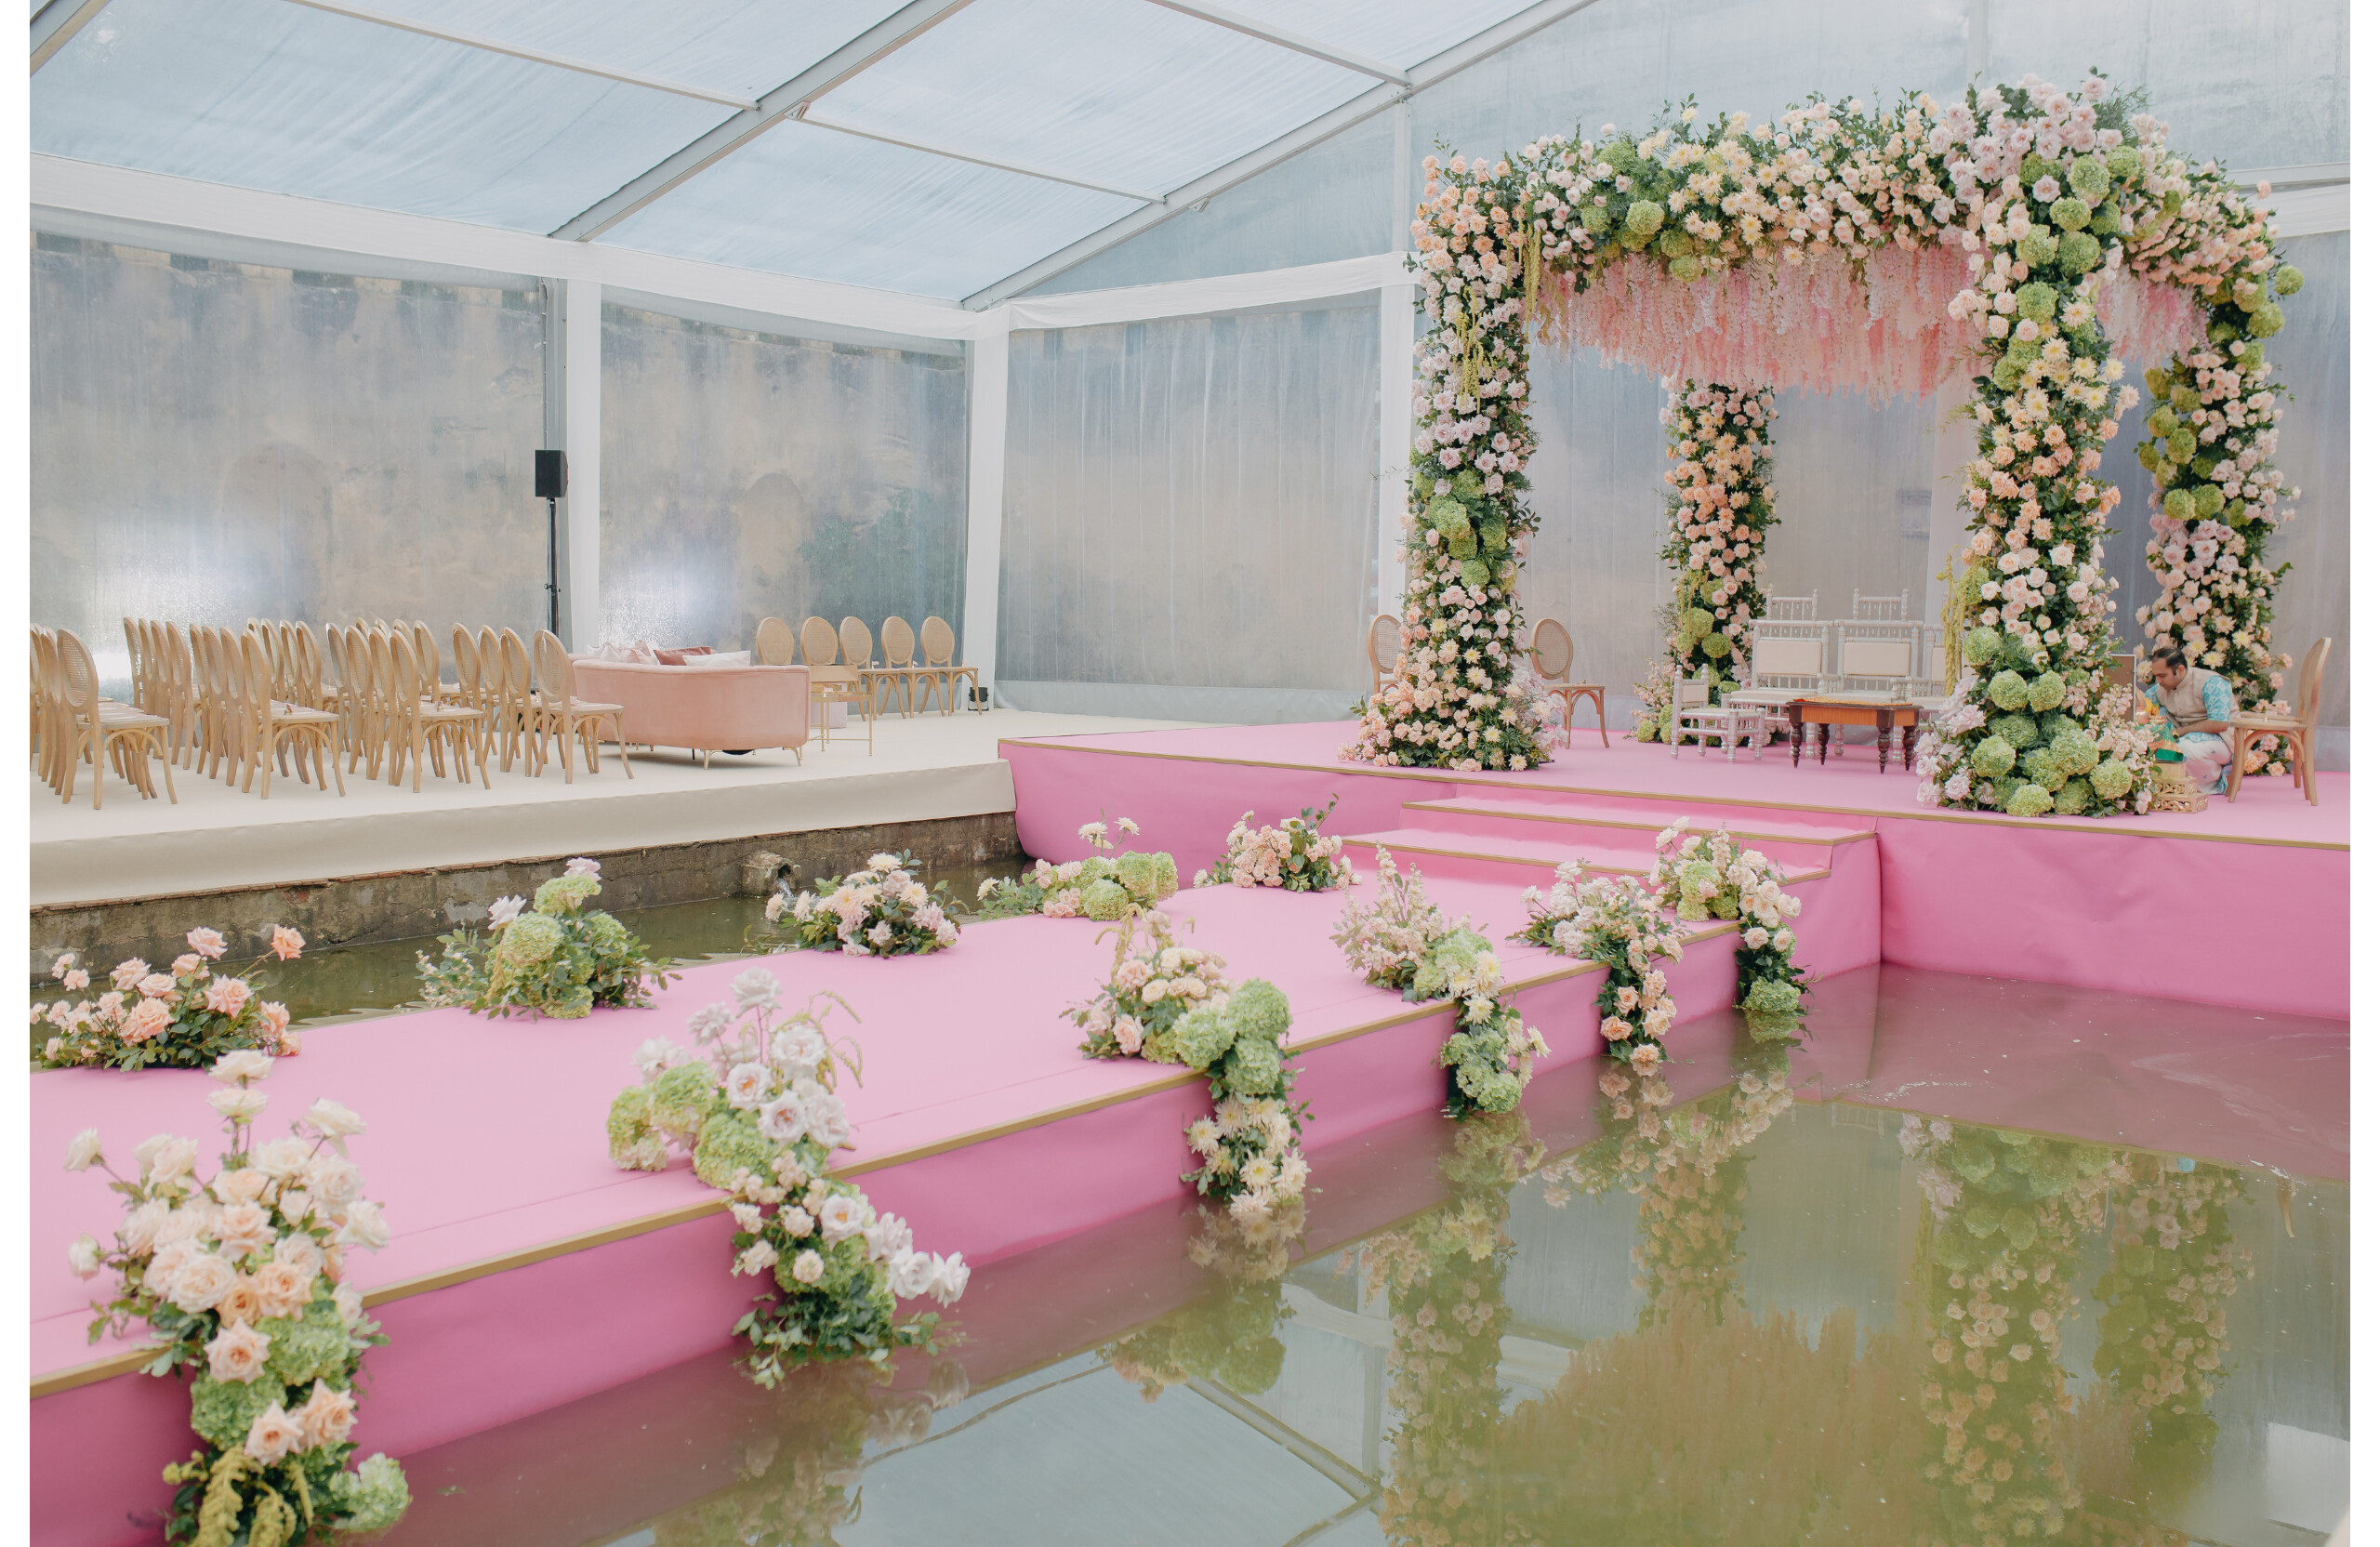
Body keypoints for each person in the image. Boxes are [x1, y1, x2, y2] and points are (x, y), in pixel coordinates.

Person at [2146, 645, 2235, 794]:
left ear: (2180, 670)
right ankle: (2176, 785)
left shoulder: (2211, 683)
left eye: (2162, 675)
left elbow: (2220, 723)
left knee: (2183, 749)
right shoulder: (2162, 688)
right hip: (2186, 737)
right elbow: (2143, 701)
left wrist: (2181, 731)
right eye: (2156, 676)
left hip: (2223, 739)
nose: (2158, 681)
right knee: (2157, 737)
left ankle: (2214, 783)